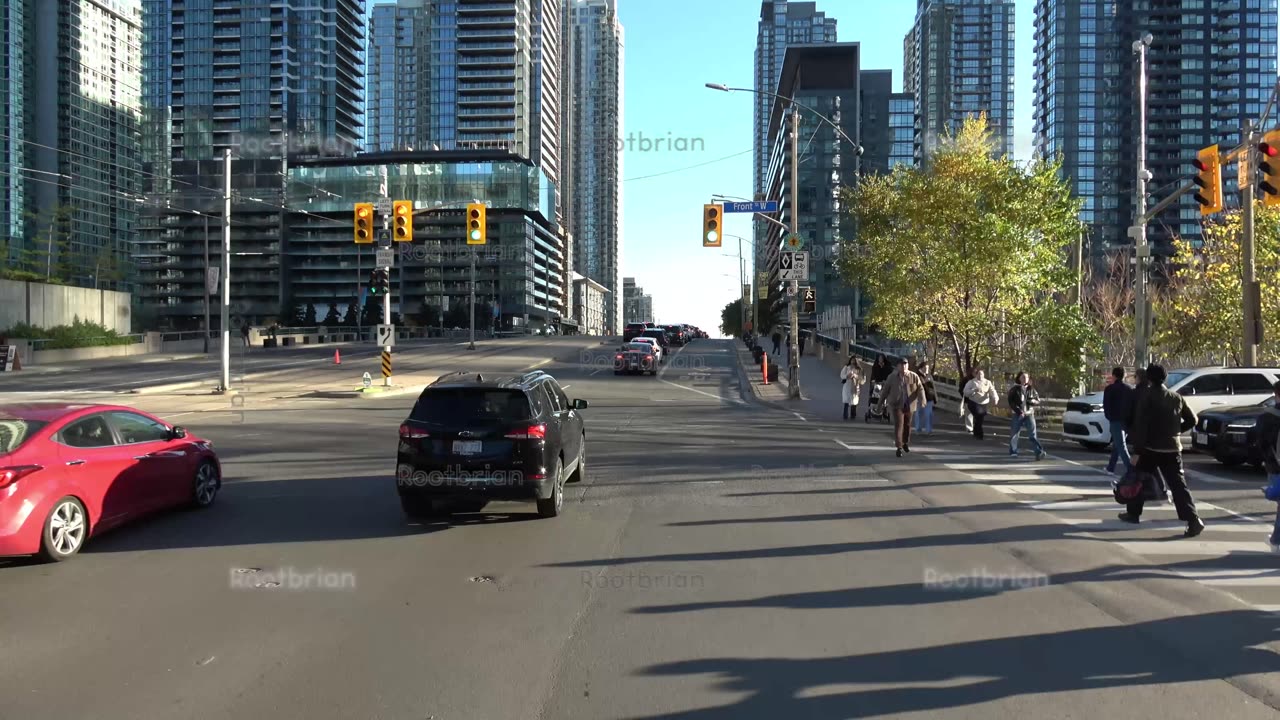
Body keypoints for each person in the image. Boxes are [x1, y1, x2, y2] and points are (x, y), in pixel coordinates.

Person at [1121, 363, 1203, 537]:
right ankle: (1193, 520)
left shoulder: (1146, 397)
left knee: (1138, 479)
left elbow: (1141, 426)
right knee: (1179, 486)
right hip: (1172, 449)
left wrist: (1137, 450)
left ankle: (1133, 513)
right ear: (1165, 378)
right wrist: (1177, 430)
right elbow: (1193, 420)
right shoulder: (1176, 397)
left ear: (1149, 378)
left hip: (1150, 448)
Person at [880, 357, 926, 457]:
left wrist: (922, 400)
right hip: (897, 404)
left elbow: (920, 389)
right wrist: (879, 404)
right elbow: (885, 391)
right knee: (899, 425)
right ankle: (899, 447)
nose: (904, 366)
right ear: (898, 366)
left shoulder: (913, 376)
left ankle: (905, 442)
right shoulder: (892, 377)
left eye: (905, 364)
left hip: (909, 404)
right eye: (902, 364)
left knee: (907, 425)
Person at [1255, 380, 1280, 552]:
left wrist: (1267, 461)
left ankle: (1277, 541)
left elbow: (1261, 443)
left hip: (1276, 466)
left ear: (1275, 393)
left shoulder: (1267, 416)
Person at [1103, 366, 1135, 475]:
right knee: (1118, 444)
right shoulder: (1130, 389)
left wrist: (1110, 417)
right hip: (1126, 421)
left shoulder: (1109, 389)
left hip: (1115, 420)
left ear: (1114, 375)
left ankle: (1131, 469)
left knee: (1121, 446)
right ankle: (1110, 467)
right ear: (1124, 375)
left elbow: (1106, 406)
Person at [1008, 371, 1045, 461]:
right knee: (1015, 434)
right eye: (1023, 377)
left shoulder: (1031, 389)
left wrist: (1033, 401)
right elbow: (1011, 402)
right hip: (1018, 414)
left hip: (1029, 413)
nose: (1025, 379)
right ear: (1019, 378)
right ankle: (1013, 451)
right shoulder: (1014, 389)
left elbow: (1037, 400)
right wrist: (1018, 411)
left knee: (1032, 434)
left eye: (1027, 377)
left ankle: (1039, 452)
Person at [963, 369, 999, 440]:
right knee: (978, 415)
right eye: (979, 374)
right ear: (976, 375)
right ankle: (980, 434)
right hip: (973, 402)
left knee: (980, 418)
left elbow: (992, 390)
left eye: (982, 374)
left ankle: (976, 432)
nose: (980, 376)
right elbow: (965, 392)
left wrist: (995, 398)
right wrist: (973, 391)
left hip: (984, 403)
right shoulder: (972, 382)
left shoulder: (987, 382)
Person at [914, 361, 936, 434]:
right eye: (925, 368)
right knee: (919, 414)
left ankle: (929, 430)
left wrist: (935, 398)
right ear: (921, 368)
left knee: (929, 414)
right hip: (919, 398)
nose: (927, 369)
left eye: (927, 368)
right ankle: (918, 428)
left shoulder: (929, 376)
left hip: (928, 398)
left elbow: (933, 388)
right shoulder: (917, 375)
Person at [840, 355, 861, 420]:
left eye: (854, 361)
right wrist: (847, 376)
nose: (853, 362)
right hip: (847, 385)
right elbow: (842, 375)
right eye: (852, 360)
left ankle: (853, 415)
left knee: (854, 401)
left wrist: (855, 376)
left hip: (854, 386)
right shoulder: (846, 367)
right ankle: (845, 415)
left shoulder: (858, 369)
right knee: (846, 401)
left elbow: (861, 378)